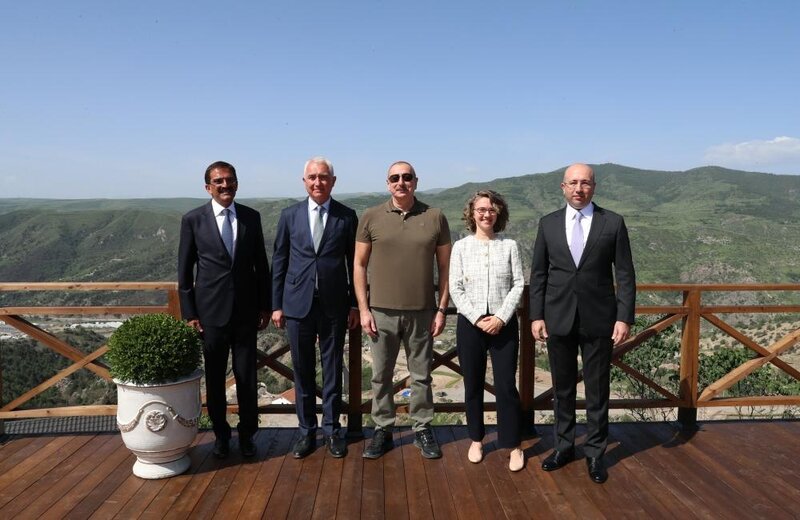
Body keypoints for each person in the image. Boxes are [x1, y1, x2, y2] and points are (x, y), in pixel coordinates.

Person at [530, 163, 635, 484]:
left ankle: (595, 453)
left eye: (585, 183)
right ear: (563, 187)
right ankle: (563, 447)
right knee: (562, 389)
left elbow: (626, 274)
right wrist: (536, 315)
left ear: (594, 187)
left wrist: (624, 316)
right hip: (557, 318)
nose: (579, 188)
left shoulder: (613, 223)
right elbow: (539, 275)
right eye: (573, 183)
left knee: (597, 389)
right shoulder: (547, 224)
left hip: (599, 319)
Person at [354, 161, 451, 459]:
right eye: (395, 178)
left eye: (406, 177)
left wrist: (442, 309)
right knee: (380, 375)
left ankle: (422, 428)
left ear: (416, 181)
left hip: (422, 311)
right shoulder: (370, 216)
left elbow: (445, 267)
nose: (401, 182)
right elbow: (358, 264)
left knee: (421, 375)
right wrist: (363, 309)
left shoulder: (435, 216)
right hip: (380, 312)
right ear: (387, 183)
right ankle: (382, 428)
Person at [178, 160, 271, 459]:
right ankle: (220, 436)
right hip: (210, 315)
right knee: (215, 380)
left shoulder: (251, 217)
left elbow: (261, 266)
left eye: (229, 180)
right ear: (208, 187)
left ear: (237, 184)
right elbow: (184, 272)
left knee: (247, 379)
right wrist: (190, 314)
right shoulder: (193, 220)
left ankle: (246, 435)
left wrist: (265, 306)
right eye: (218, 181)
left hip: (246, 313)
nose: (225, 185)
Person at [271, 156, 359, 459]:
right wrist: (276, 305)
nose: (318, 182)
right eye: (312, 177)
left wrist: (355, 305)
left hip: (334, 306)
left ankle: (333, 430)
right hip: (297, 306)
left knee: (333, 370)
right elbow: (279, 261)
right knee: (303, 372)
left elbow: (354, 264)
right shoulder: (289, 215)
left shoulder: (347, 216)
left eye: (323, 177)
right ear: (304, 181)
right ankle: (306, 432)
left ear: (333, 181)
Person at [449, 190, 525, 472]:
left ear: (498, 214)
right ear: (472, 213)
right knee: (472, 384)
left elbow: (518, 284)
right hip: (471, 325)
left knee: (506, 386)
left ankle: (513, 445)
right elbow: (455, 287)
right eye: (481, 209)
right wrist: (477, 317)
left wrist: (501, 318)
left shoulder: (509, 246)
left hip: (503, 325)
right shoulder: (461, 247)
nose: (486, 214)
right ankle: (476, 439)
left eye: (491, 209)